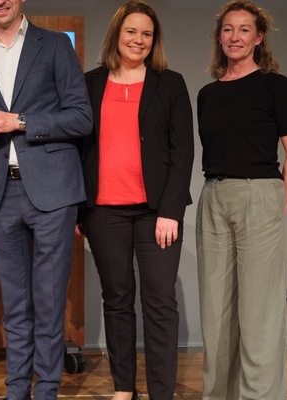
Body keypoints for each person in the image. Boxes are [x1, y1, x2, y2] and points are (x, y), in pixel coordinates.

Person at [0, 0, 93, 398]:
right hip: (3, 193)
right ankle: (17, 389)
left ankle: (46, 389)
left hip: (54, 190)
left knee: (50, 301)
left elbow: (81, 117)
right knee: (15, 304)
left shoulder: (54, 44)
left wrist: (19, 121)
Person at [79, 2, 193, 399]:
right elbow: (79, 150)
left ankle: (161, 392)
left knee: (160, 301)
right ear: (117, 34)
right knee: (117, 300)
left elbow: (183, 151)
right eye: (131, 31)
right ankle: (124, 388)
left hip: (156, 213)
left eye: (146, 34)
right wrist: (80, 210)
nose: (138, 40)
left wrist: (171, 212)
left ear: (154, 40)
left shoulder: (170, 83)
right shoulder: (90, 83)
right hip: (103, 211)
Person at [196, 1, 287, 399]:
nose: (235, 36)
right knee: (216, 313)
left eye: (244, 30)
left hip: (259, 193)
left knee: (259, 312)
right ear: (219, 36)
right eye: (228, 29)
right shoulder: (207, 94)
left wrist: (277, 206)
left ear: (259, 38)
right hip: (214, 195)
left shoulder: (277, 86)